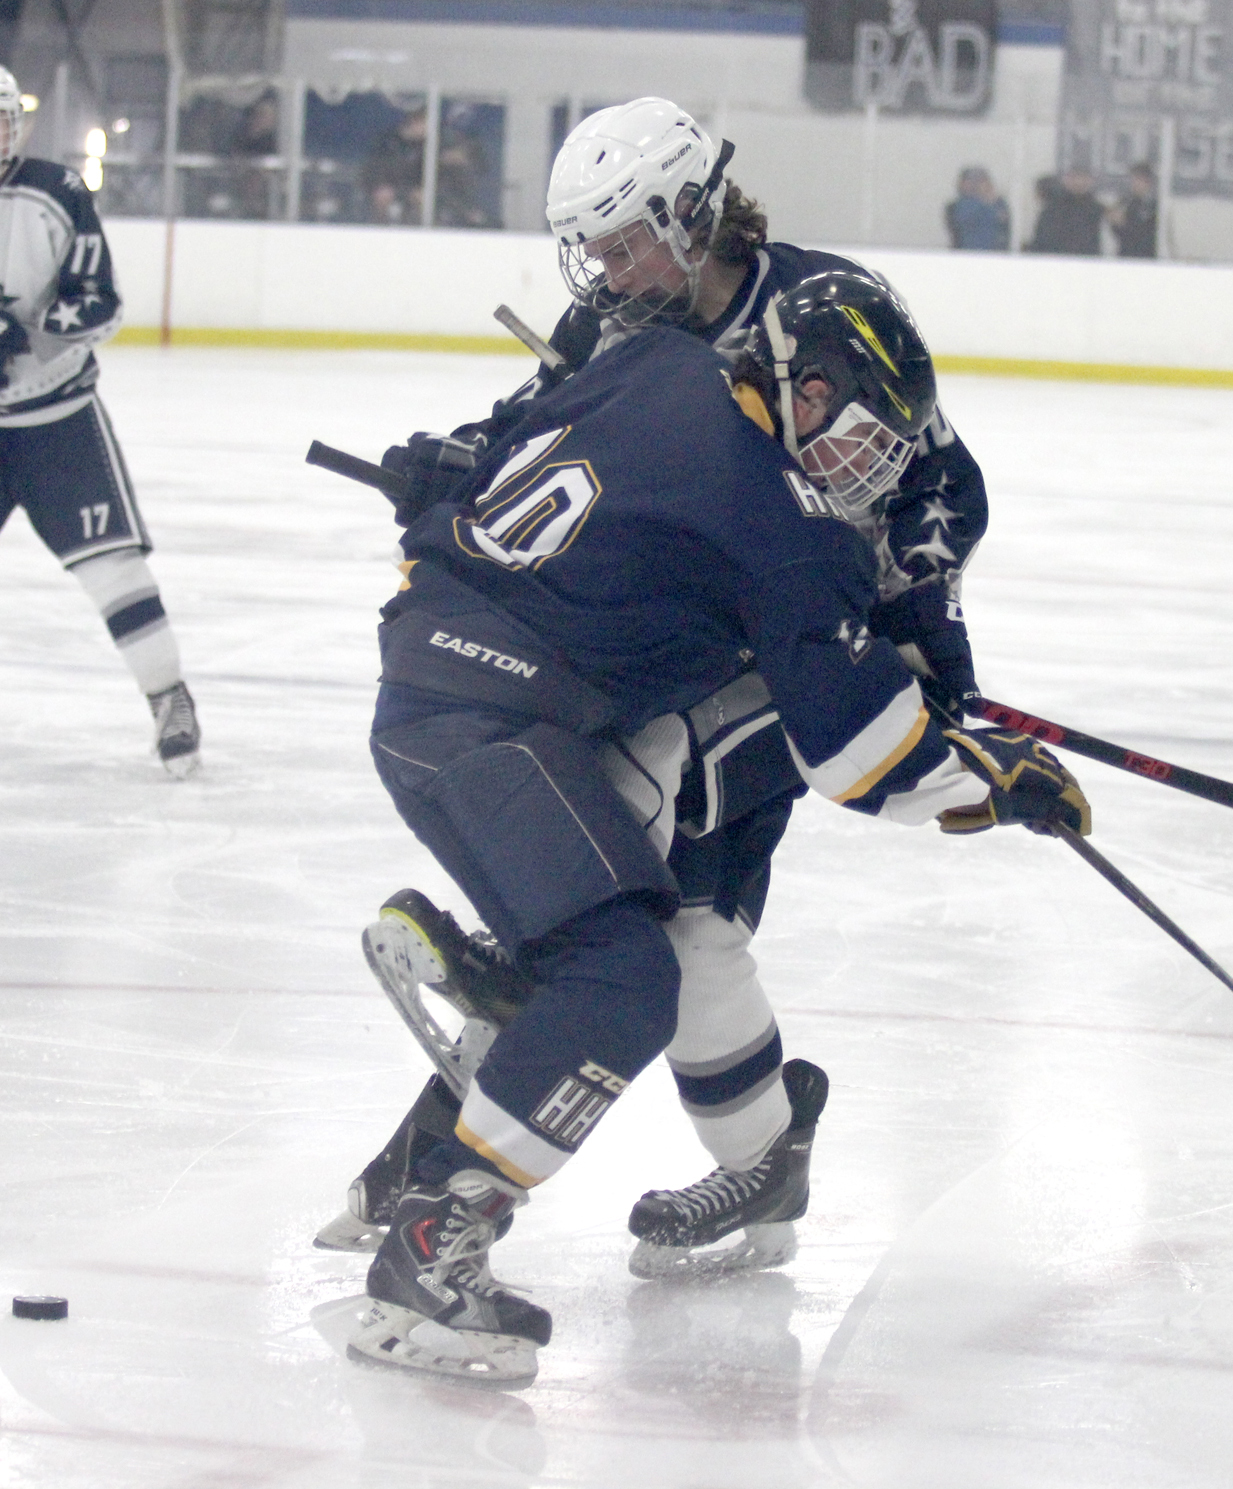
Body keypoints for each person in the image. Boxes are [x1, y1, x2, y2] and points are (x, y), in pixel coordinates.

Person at [340, 267, 1091, 1388]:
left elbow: (505, 458)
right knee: (620, 978)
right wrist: (995, 778)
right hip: (486, 722)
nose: (873, 457)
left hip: (446, 660)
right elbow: (857, 753)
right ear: (803, 377)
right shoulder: (783, 521)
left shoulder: (653, 360)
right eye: (860, 420)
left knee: (660, 918)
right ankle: (431, 1243)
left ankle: (519, 982)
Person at [317, 98, 990, 1269]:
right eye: (594, 245)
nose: (606, 268)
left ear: (693, 215)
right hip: (671, 646)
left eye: (625, 238)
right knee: (654, 920)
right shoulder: (612, 323)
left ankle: (528, 1089)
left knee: (676, 923)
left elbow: (939, 471)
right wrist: (461, 464)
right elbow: (542, 433)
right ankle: (675, 1133)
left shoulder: (820, 304)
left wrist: (917, 612)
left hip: (788, 651)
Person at [0, 68, 200, 774]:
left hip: (58, 417)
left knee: (113, 567)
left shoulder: (56, 193)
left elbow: (101, 303)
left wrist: (39, 328)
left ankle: (167, 696)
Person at [361, 105, 427, 225]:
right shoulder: (388, 142)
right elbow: (374, 168)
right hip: (388, 185)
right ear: (414, 122)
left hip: (413, 187)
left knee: (423, 198)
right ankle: (377, 228)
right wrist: (380, 186)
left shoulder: (428, 146)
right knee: (383, 196)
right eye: (423, 123)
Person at [1025, 168, 1103, 256]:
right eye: (1074, 178)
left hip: (1085, 261)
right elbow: (1044, 237)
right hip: (1057, 260)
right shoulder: (1053, 209)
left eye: (1082, 178)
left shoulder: (1096, 209)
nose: (1078, 182)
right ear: (1066, 180)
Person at [944, 166, 1010, 251]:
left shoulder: (998, 202)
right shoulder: (960, 205)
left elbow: (1003, 219)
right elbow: (962, 220)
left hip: (995, 254)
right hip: (970, 254)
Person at [1108, 162, 1158, 259]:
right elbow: (1117, 232)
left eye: (1140, 180)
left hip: (1146, 257)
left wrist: (1124, 224)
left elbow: (1147, 234)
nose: (1135, 183)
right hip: (1125, 255)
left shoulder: (1154, 205)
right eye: (1133, 179)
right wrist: (1115, 222)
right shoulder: (1124, 201)